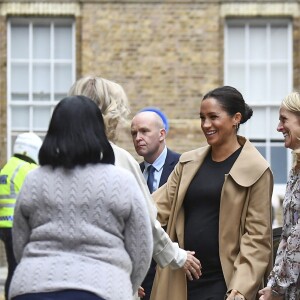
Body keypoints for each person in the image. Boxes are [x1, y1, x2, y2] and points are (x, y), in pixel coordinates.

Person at [68, 76, 201, 300]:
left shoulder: (47, 164)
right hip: (105, 281)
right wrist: (175, 257)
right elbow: (146, 225)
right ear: (110, 114)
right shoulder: (119, 160)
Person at [9, 95, 153, 300]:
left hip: (32, 287)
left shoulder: (34, 179)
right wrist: (125, 285)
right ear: (98, 131)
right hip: (102, 288)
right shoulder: (121, 181)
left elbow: (20, 243)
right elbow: (141, 249)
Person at [150, 86, 274, 300]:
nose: (206, 125)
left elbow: (257, 238)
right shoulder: (187, 163)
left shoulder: (257, 169)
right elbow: (152, 209)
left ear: (236, 118)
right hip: (180, 279)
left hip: (225, 285)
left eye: (213, 117)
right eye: (202, 118)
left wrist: (239, 290)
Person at [131, 107, 180, 299]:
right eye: (134, 133)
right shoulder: (133, 171)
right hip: (141, 277)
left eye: (144, 131)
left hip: (172, 268)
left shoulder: (182, 166)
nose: (137, 138)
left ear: (162, 134)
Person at [259, 92, 300, 300]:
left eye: (284, 119)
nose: (278, 127)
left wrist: (277, 289)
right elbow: (287, 235)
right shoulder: (296, 169)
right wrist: (274, 284)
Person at [0, 132, 42, 300]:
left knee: (13, 267)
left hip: (3, 225)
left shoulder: (7, 167)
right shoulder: (28, 169)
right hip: (18, 226)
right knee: (21, 269)